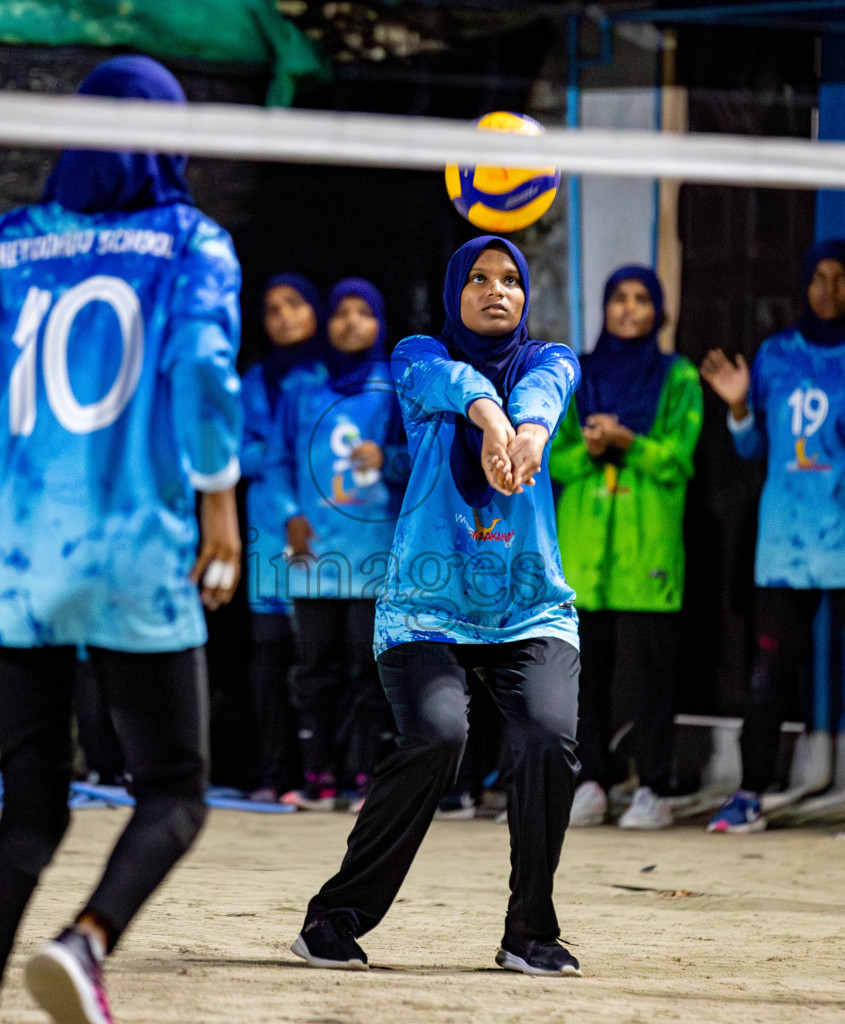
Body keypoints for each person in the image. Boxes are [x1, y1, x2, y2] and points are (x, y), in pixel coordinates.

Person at [0, 57, 243, 1024]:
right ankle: (85, 944)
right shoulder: (191, 244)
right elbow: (205, 378)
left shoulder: (2, 243)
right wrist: (220, 503)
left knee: (29, 805)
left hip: (10, 553)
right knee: (174, 788)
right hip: (130, 545)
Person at [290, 236, 584, 977]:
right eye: (479, 278)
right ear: (456, 290)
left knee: (548, 739)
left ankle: (529, 932)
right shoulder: (417, 355)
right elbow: (450, 382)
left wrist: (527, 433)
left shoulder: (552, 361)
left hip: (528, 609)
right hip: (427, 608)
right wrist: (490, 424)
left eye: (511, 278)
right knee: (437, 737)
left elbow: (545, 396)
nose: (497, 290)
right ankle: (333, 918)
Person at [699, 239, 845, 838]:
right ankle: (750, 794)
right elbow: (752, 448)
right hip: (787, 547)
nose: (829, 288)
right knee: (766, 674)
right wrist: (739, 407)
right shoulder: (776, 353)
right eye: (819, 276)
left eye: (842, 277)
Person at [552, 265, 703, 830]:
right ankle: (590, 780)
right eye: (619, 297)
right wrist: (592, 449)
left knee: (652, 677)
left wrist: (627, 442)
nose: (629, 309)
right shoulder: (576, 375)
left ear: (658, 312)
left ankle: (653, 787)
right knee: (581, 675)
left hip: (648, 548)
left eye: (642, 299)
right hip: (585, 547)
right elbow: (554, 457)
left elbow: (678, 458)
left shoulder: (677, 376)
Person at [266, 277, 403, 810]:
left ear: (379, 322)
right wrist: (289, 515)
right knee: (315, 670)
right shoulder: (303, 387)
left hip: (374, 548)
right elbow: (277, 460)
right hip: (315, 550)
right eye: (340, 312)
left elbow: (425, 461)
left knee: (368, 669)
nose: (350, 323)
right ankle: (319, 777)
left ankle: (366, 776)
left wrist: (388, 459)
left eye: (362, 313)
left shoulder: (396, 387)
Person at [239, 273, 327, 802]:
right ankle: (277, 775)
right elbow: (238, 451)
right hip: (269, 527)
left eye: (294, 304)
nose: (283, 317)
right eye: (272, 309)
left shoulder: (334, 371)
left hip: (324, 527)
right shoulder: (257, 380)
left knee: (318, 652)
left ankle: (324, 772)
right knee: (269, 654)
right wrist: (278, 447)